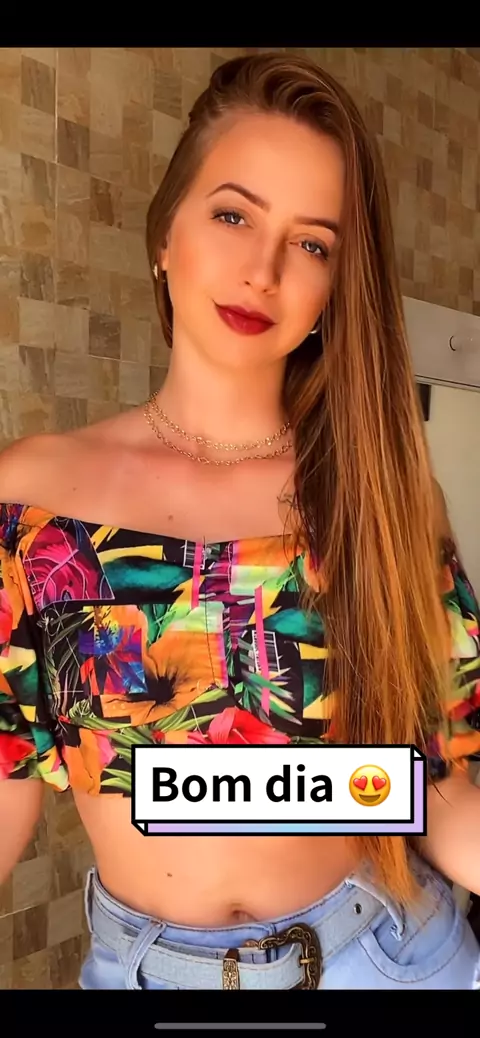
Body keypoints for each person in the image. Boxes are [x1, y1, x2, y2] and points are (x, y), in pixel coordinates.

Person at [0, 52, 479, 992]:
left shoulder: (383, 496)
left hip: (391, 961)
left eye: (313, 244)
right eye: (233, 215)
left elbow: (434, 788)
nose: (263, 270)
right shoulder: (31, 503)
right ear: (164, 234)